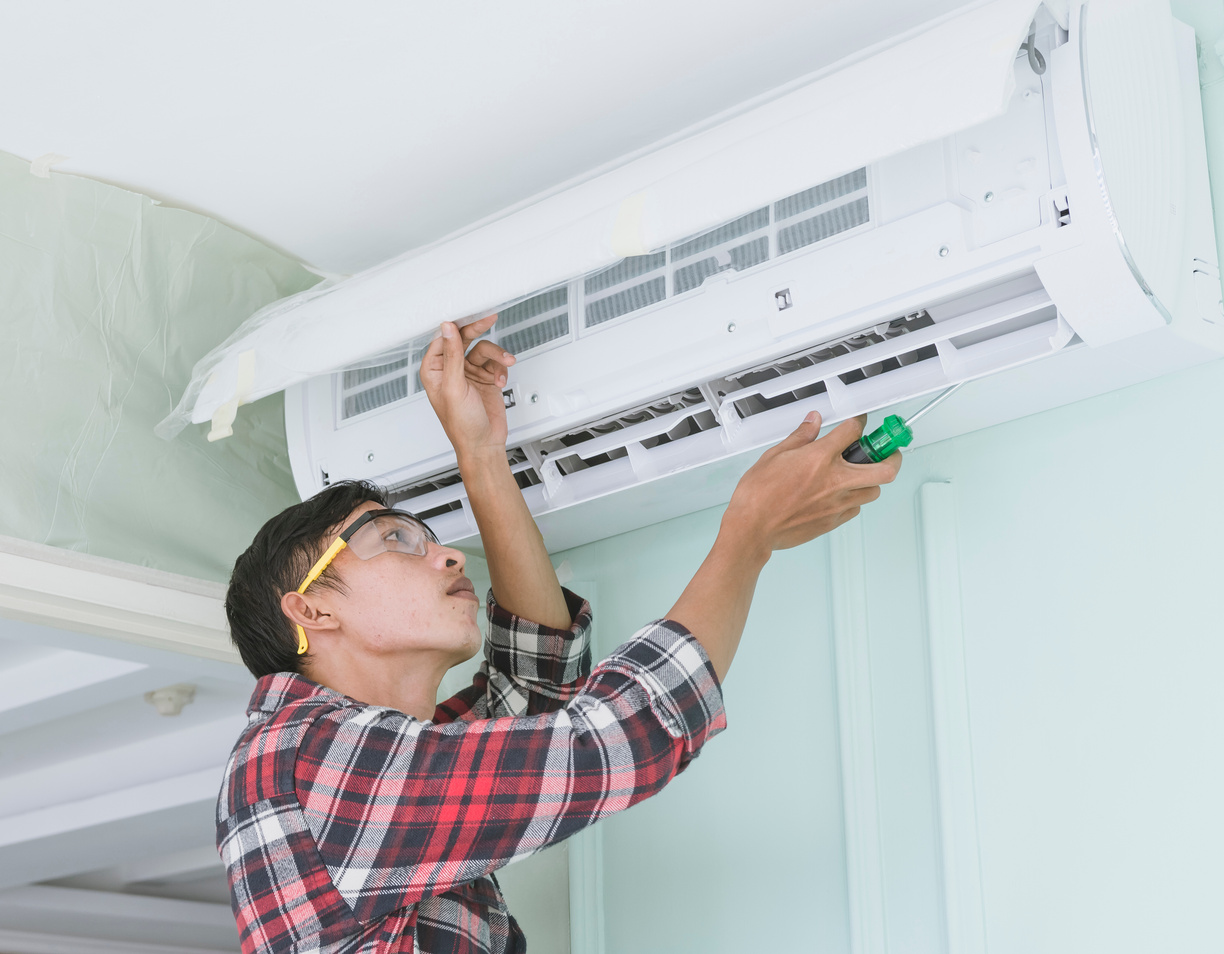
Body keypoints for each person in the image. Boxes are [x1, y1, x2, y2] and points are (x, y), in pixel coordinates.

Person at [217, 315, 902, 954]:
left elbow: (538, 688)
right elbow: (608, 740)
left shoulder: (340, 764)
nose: (447, 555)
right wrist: (749, 531)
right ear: (310, 611)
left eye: (427, 537)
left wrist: (480, 454)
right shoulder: (302, 760)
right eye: (393, 539)